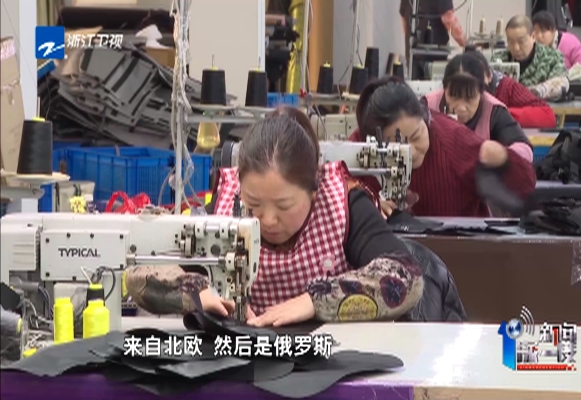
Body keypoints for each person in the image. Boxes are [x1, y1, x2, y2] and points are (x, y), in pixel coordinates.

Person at [126, 107, 424, 327]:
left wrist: (315, 301)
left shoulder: (343, 205)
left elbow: (407, 275)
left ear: (314, 190)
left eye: (284, 206)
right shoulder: (225, 205)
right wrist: (194, 293)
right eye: (254, 203)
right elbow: (140, 274)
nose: (267, 220)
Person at [348, 76, 536, 218]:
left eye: (416, 136)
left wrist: (505, 160)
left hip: (456, 252)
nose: (411, 152)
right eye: (396, 147)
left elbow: (525, 186)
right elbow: (337, 187)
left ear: (425, 117)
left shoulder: (454, 142)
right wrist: (366, 202)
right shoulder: (360, 145)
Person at [424, 53, 534, 162]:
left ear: (481, 92)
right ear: (444, 88)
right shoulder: (427, 106)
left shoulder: (494, 112)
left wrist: (502, 155)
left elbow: (525, 149)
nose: (461, 108)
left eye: (469, 98)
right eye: (453, 96)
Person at [463, 47, 557, 128]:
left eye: (478, 77)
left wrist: (500, 115)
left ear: (489, 76)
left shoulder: (506, 87)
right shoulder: (456, 96)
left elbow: (547, 115)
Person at [492, 15, 569, 101]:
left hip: (540, 107)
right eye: (511, 42)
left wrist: (531, 92)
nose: (516, 48)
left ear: (533, 37)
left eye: (521, 41)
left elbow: (561, 82)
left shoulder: (552, 57)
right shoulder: (499, 59)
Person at [400, 0, 466, 79]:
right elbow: (449, 20)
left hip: (412, 54)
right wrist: (467, 44)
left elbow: (405, 19)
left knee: (414, 84)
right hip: (434, 58)